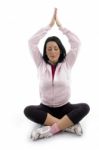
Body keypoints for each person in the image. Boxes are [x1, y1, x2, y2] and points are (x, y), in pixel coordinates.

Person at [24, 8, 90, 141]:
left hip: (65, 107)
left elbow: (76, 43)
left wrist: (61, 27)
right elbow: (31, 42)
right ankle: (67, 126)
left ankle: (51, 129)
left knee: (85, 107)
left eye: (55, 48)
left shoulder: (67, 63)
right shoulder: (40, 63)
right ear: (45, 52)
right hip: (45, 108)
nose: (53, 51)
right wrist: (48, 26)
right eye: (49, 49)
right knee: (28, 110)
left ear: (60, 51)